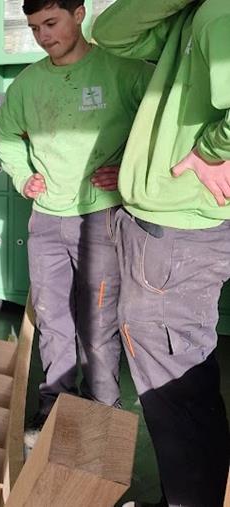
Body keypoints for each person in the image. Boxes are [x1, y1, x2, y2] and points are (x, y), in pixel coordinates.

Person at [0, 0, 153, 441]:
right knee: (53, 317)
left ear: (79, 14)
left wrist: (127, 173)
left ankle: (105, 409)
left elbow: (159, 126)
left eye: (51, 23)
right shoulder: (27, 85)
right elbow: (7, 136)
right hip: (46, 221)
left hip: (102, 216)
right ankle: (55, 404)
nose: (44, 36)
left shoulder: (126, 70)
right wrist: (24, 175)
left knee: (99, 321)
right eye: (34, 28)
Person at [93, 1, 230, 504]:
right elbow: (110, 32)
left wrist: (214, 148)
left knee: (176, 391)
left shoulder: (218, 14)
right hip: (163, 231)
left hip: (179, 234)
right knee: (176, 386)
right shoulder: (192, 15)